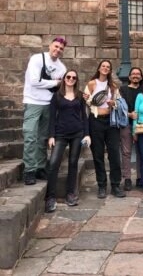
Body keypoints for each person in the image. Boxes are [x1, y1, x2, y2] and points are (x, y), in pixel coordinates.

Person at [22, 37, 67, 185]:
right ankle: (29, 169)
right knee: (30, 135)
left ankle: (40, 167)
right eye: (56, 46)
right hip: (32, 101)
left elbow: (61, 88)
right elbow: (34, 81)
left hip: (49, 103)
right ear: (50, 46)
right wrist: (55, 82)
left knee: (43, 137)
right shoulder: (37, 59)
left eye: (61, 48)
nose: (58, 50)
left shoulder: (62, 68)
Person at [45, 70, 91, 213]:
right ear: (64, 79)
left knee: (73, 163)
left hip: (77, 133)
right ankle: (50, 197)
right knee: (53, 163)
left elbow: (84, 116)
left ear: (76, 80)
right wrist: (51, 136)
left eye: (74, 77)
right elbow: (52, 117)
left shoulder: (79, 96)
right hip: (60, 134)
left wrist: (87, 134)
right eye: (68, 77)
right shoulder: (56, 96)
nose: (71, 79)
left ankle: (70, 194)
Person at [84, 60, 125, 199]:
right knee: (98, 155)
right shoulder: (91, 84)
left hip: (110, 122)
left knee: (114, 153)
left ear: (110, 70)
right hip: (95, 121)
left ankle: (115, 185)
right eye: (103, 66)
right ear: (99, 68)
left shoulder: (113, 86)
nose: (105, 68)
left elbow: (119, 103)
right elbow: (86, 101)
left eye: (108, 67)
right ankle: (102, 185)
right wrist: (89, 99)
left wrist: (114, 103)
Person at [119, 67, 143, 191]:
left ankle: (140, 177)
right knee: (126, 152)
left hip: (141, 125)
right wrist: (129, 114)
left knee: (141, 151)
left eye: (138, 74)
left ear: (141, 76)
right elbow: (119, 107)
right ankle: (127, 178)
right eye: (133, 74)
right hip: (126, 123)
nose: (135, 76)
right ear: (129, 77)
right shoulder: (123, 89)